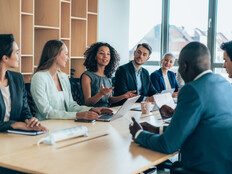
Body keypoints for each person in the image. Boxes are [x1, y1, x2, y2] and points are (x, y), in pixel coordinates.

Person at [129, 42, 232, 173]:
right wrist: (156, 129)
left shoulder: (192, 89)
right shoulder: (224, 83)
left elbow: (168, 145)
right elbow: (202, 126)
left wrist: (138, 134)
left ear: (183, 66)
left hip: (204, 167)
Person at [31, 40, 112, 121]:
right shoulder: (39, 77)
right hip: (47, 125)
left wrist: (92, 109)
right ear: (55, 55)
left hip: (65, 124)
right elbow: (46, 112)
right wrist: (77, 115)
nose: (68, 58)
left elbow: (71, 105)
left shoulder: (63, 77)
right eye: (66, 54)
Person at [0, 34, 47, 132]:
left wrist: (30, 121)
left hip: (15, 137)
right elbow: (16, 124)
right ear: (5, 58)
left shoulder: (17, 79)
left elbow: (25, 111)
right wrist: (14, 124)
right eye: (17, 53)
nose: (19, 56)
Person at [81, 42, 137, 107]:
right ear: (94, 56)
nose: (105, 56)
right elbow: (87, 102)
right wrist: (101, 94)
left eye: (108, 54)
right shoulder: (87, 76)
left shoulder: (108, 77)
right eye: (101, 53)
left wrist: (124, 96)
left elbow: (110, 100)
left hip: (107, 111)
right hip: (92, 113)